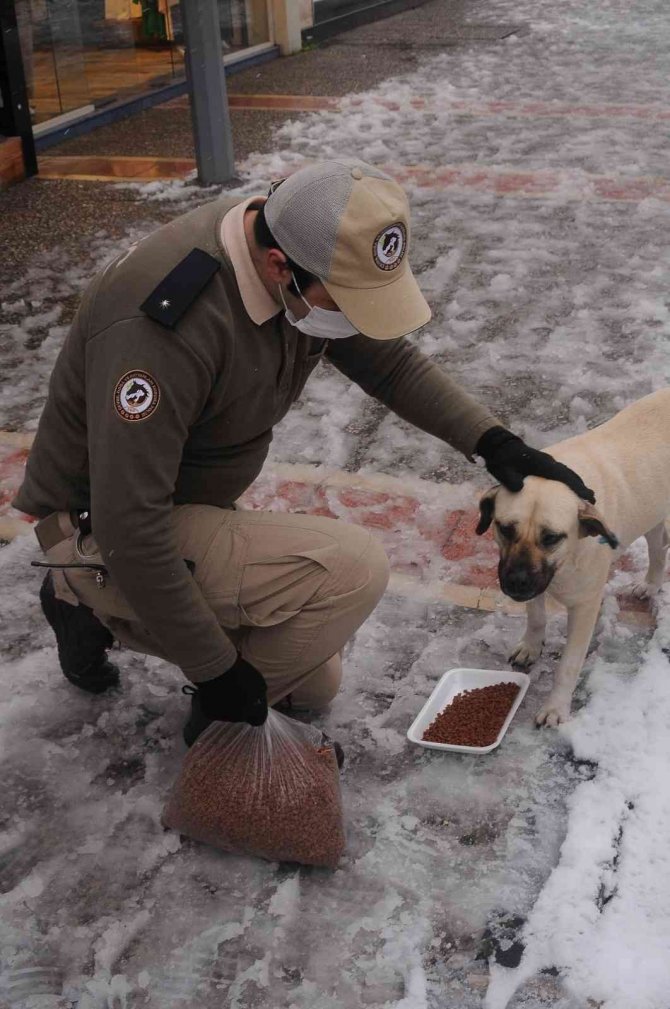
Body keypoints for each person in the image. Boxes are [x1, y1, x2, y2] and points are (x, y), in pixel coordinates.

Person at [13, 159, 594, 749]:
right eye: (349, 304)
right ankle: (86, 601)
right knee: (350, 570)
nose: (353, 321)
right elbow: (130, 526)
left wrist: (493, 442)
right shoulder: (163, 326)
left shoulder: (292, 248)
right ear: (278, 269)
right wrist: (217, 676)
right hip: (103, 528)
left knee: (312, 686)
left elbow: (386, 361)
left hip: (186, 508)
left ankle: (135, 621)